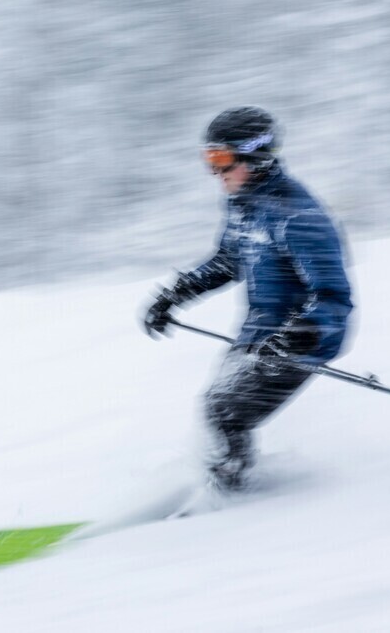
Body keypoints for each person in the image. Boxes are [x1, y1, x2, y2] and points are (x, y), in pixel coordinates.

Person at [143, 106, 353, 492]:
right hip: (257, 334)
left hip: (297, 342)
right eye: (209, 159)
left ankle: (229, 499)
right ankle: (222, 485)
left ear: (255, 156)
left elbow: (334, 297)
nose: (215, 172)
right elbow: (227, 260)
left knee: (223, 413)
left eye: (222, 159)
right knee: (214, 409)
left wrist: (302, 332)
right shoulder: (245, 205)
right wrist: (175, 294)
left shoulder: (299, 216)